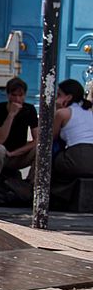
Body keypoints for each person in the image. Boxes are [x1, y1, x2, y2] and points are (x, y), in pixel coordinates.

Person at [0, 76, 39, 188]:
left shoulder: (29, 110)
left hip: (16, 155)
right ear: (8, 95)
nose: (17, 99)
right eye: (14, 95)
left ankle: (31, 184)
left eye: (21, 96)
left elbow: (37, 139)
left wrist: (15, 153)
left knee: (41, 149)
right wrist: (11, 115)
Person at [51, 78, 93, 209]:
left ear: (68, 97)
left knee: (53, 156)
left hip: (77, 157)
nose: (56, 98)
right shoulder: (89, 113)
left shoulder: (62, 113)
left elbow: (50, 137)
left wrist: (55, 109)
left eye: (59, 95)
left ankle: (50, 193)